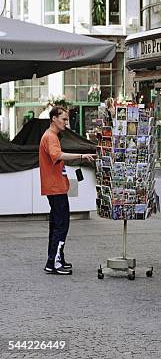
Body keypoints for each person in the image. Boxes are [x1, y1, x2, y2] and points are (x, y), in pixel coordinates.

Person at [40, 106, 96, 275]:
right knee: (61, 224)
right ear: (54, 119)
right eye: (64, 119)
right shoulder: (51, 137)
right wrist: (81, 156)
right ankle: (54, 262)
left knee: (57, 224)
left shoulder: (52, 136)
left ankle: (55, 259)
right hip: (55, 187)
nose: (67, 122)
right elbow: (57, 156)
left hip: (55, 186)